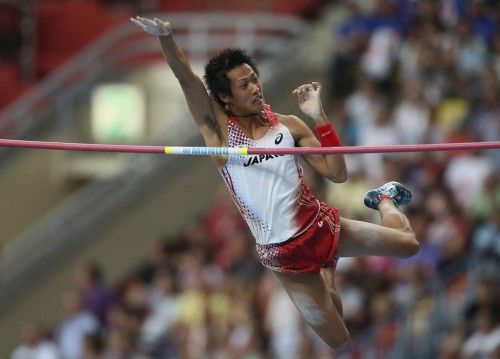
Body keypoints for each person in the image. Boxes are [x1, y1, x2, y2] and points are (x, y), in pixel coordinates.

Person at [131, 16, 419, 349]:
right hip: (284, 254)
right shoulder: (219, 133)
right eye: (244, 85)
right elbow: (186, 78)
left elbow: (337, 174)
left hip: (319, 224)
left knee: (408, 245)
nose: (254, 87)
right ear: (225, 99)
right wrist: (166, 37)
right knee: (337, 339)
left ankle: (383, 199)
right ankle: (328, 270)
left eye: (254, 79)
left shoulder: (290, 126)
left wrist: (320, 118)